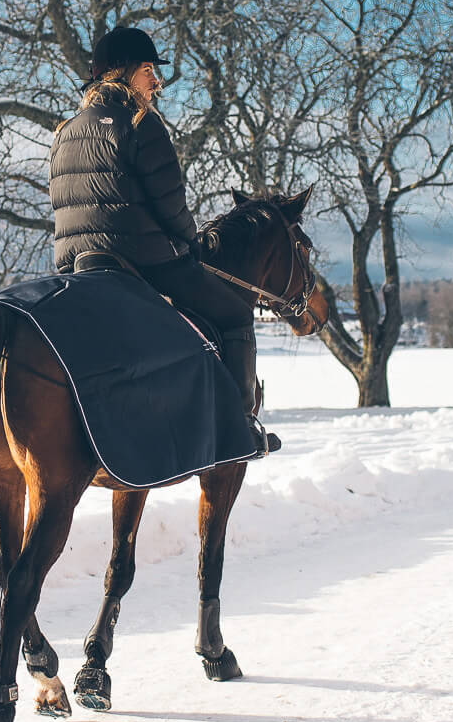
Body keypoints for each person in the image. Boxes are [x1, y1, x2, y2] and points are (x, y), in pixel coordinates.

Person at [48, 24, 281, 456]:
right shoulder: (141, 121)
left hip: (76, 267)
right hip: (143, 260)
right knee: (235, 316)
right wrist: (191, 245)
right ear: (121, 74)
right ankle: (240, 428)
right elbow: (171, 205)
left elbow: (63, 206)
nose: (156, 82)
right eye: (148, 70)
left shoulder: (65, 131)